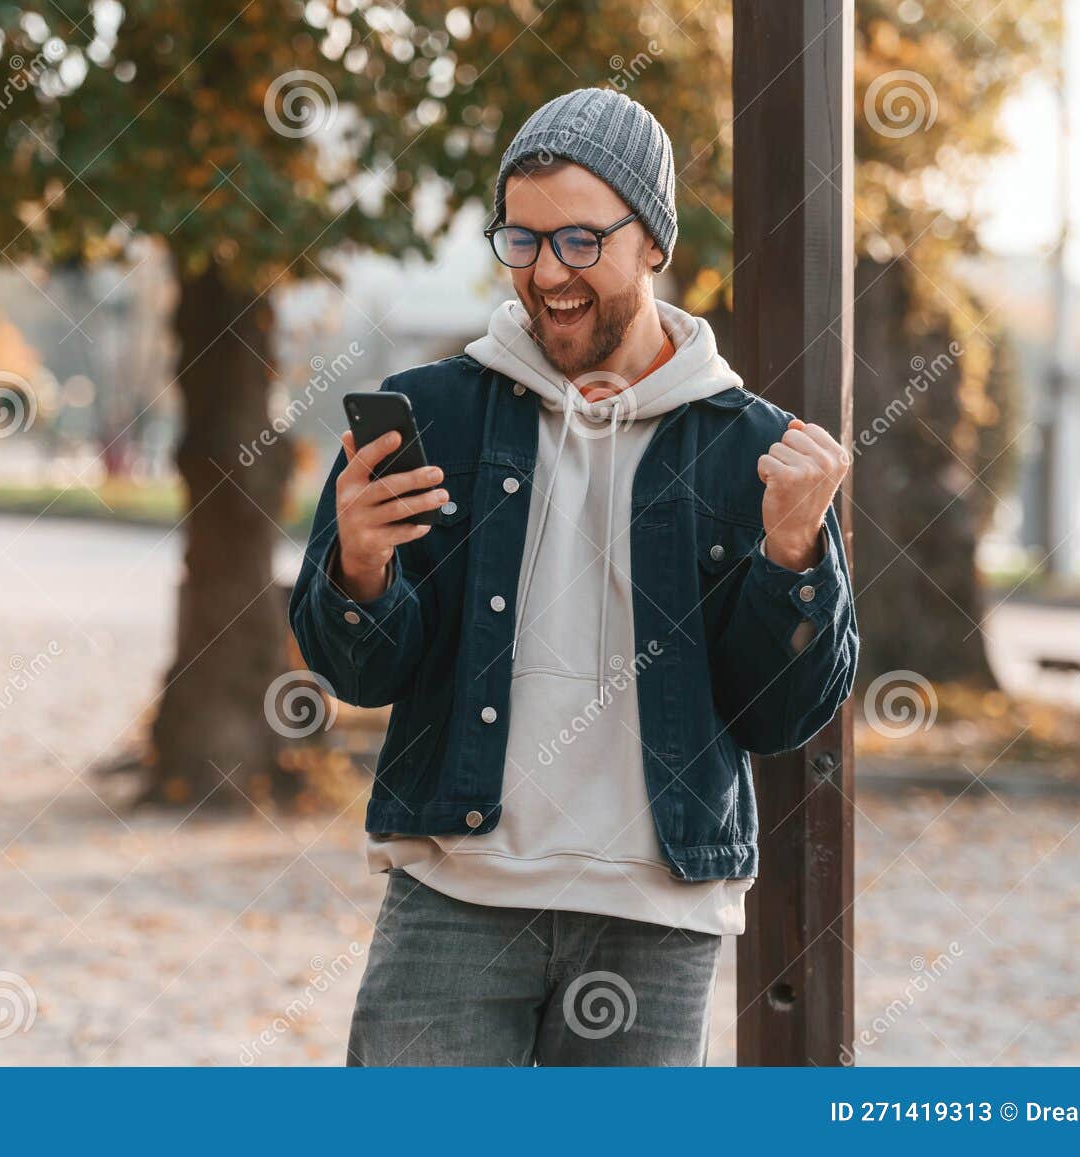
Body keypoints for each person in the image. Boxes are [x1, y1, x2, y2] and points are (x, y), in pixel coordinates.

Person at [288, 86, 858, 1066]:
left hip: (653, 909)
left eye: (581, 242)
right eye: (522, 240)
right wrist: (359, 566)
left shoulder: (756, 450)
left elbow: (779, 714)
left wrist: (793, 560)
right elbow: (362, 674)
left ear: (653, 243)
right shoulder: (431, 416)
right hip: (454, 896)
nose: (547, 272)